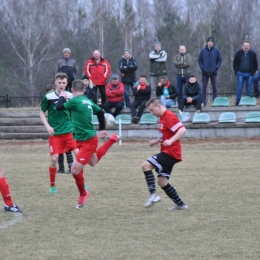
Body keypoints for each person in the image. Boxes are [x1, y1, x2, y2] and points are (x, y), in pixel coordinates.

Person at [56, 79, 120, 209]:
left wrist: (62, 97)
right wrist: (102, 128)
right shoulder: (88, 101)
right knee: (93, 162)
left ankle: (83, 194)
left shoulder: (74, 101)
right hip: (83, 138)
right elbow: (101, 112)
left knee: (74, 170)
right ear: (84, 90)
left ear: (72, 90)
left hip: (88, 140)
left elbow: (58, 107)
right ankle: (112, 140)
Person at [141, 97, 188, 210]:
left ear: (159, 106)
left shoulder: (169, 116)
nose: (151, 113)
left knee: (145, 165)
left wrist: (171, 141)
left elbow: (182, 130)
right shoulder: (162, 118)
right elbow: (165, 134)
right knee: (162, 182)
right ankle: (181, 205)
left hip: (171, 153)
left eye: (152, 110)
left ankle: (153, 195)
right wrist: (156, 141)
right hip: (168, 152)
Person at [40, 73, 78, 193]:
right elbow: (41, 112)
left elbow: (75, 112)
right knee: (54, 159)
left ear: (67, 84)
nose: (61, 85)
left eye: (63, 83)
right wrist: (47, 126)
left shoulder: (71, 96)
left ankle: (81, 183)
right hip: (55, 134)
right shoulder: (49, 97)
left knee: (79, 156)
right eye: (59, 82)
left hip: (69, 132)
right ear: (55, 83)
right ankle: (52, 185)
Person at [45, 84, 73, 174]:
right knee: (59, 150)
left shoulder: (64, 99)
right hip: (56, 129)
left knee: (68, 149)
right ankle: (61, 168)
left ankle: (71, 167)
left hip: (66, 128)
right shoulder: (49, 101)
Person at [198, 37, 222, 106]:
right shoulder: (203, 51)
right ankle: (204, 102)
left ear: (213, 43)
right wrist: (202, 67)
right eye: (209, 42)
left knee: (214, 88)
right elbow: (200, 60)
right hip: (205, 72)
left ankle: (215, 102)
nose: (210, 43)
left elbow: (219, 60)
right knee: (204, 88)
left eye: (211, 42)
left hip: (213, 72)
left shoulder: (216, 51)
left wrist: (216, 67)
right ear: (207, 42)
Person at [233, 40, 258, 105]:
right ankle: (238, 101)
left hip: (249, 74)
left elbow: (256, 64)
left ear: (249, 46)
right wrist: (236, 71)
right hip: (240, 73)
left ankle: (248, 102)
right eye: (245, 46)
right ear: (242, 46)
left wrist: (253, 71)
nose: (246, 47)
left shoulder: (253, 54)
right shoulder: (238, 53)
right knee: (239, 88)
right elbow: (234, 63)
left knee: (249, 88)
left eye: (247, 46)